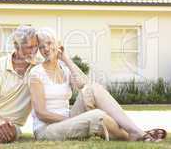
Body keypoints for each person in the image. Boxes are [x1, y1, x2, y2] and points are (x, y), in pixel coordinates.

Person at [28, 29, 167, 142]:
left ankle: (136, 131)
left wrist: (66, 59)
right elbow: (41, 113)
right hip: (47, 129)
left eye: (49, 43)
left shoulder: (64, 68)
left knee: (93, 89)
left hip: (68, 118)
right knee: (97, 116)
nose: (46, 49)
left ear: (58, 44)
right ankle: (135, 134)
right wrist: (73, 120)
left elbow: (84, 85)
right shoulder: (36, 73)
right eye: (41, 47)